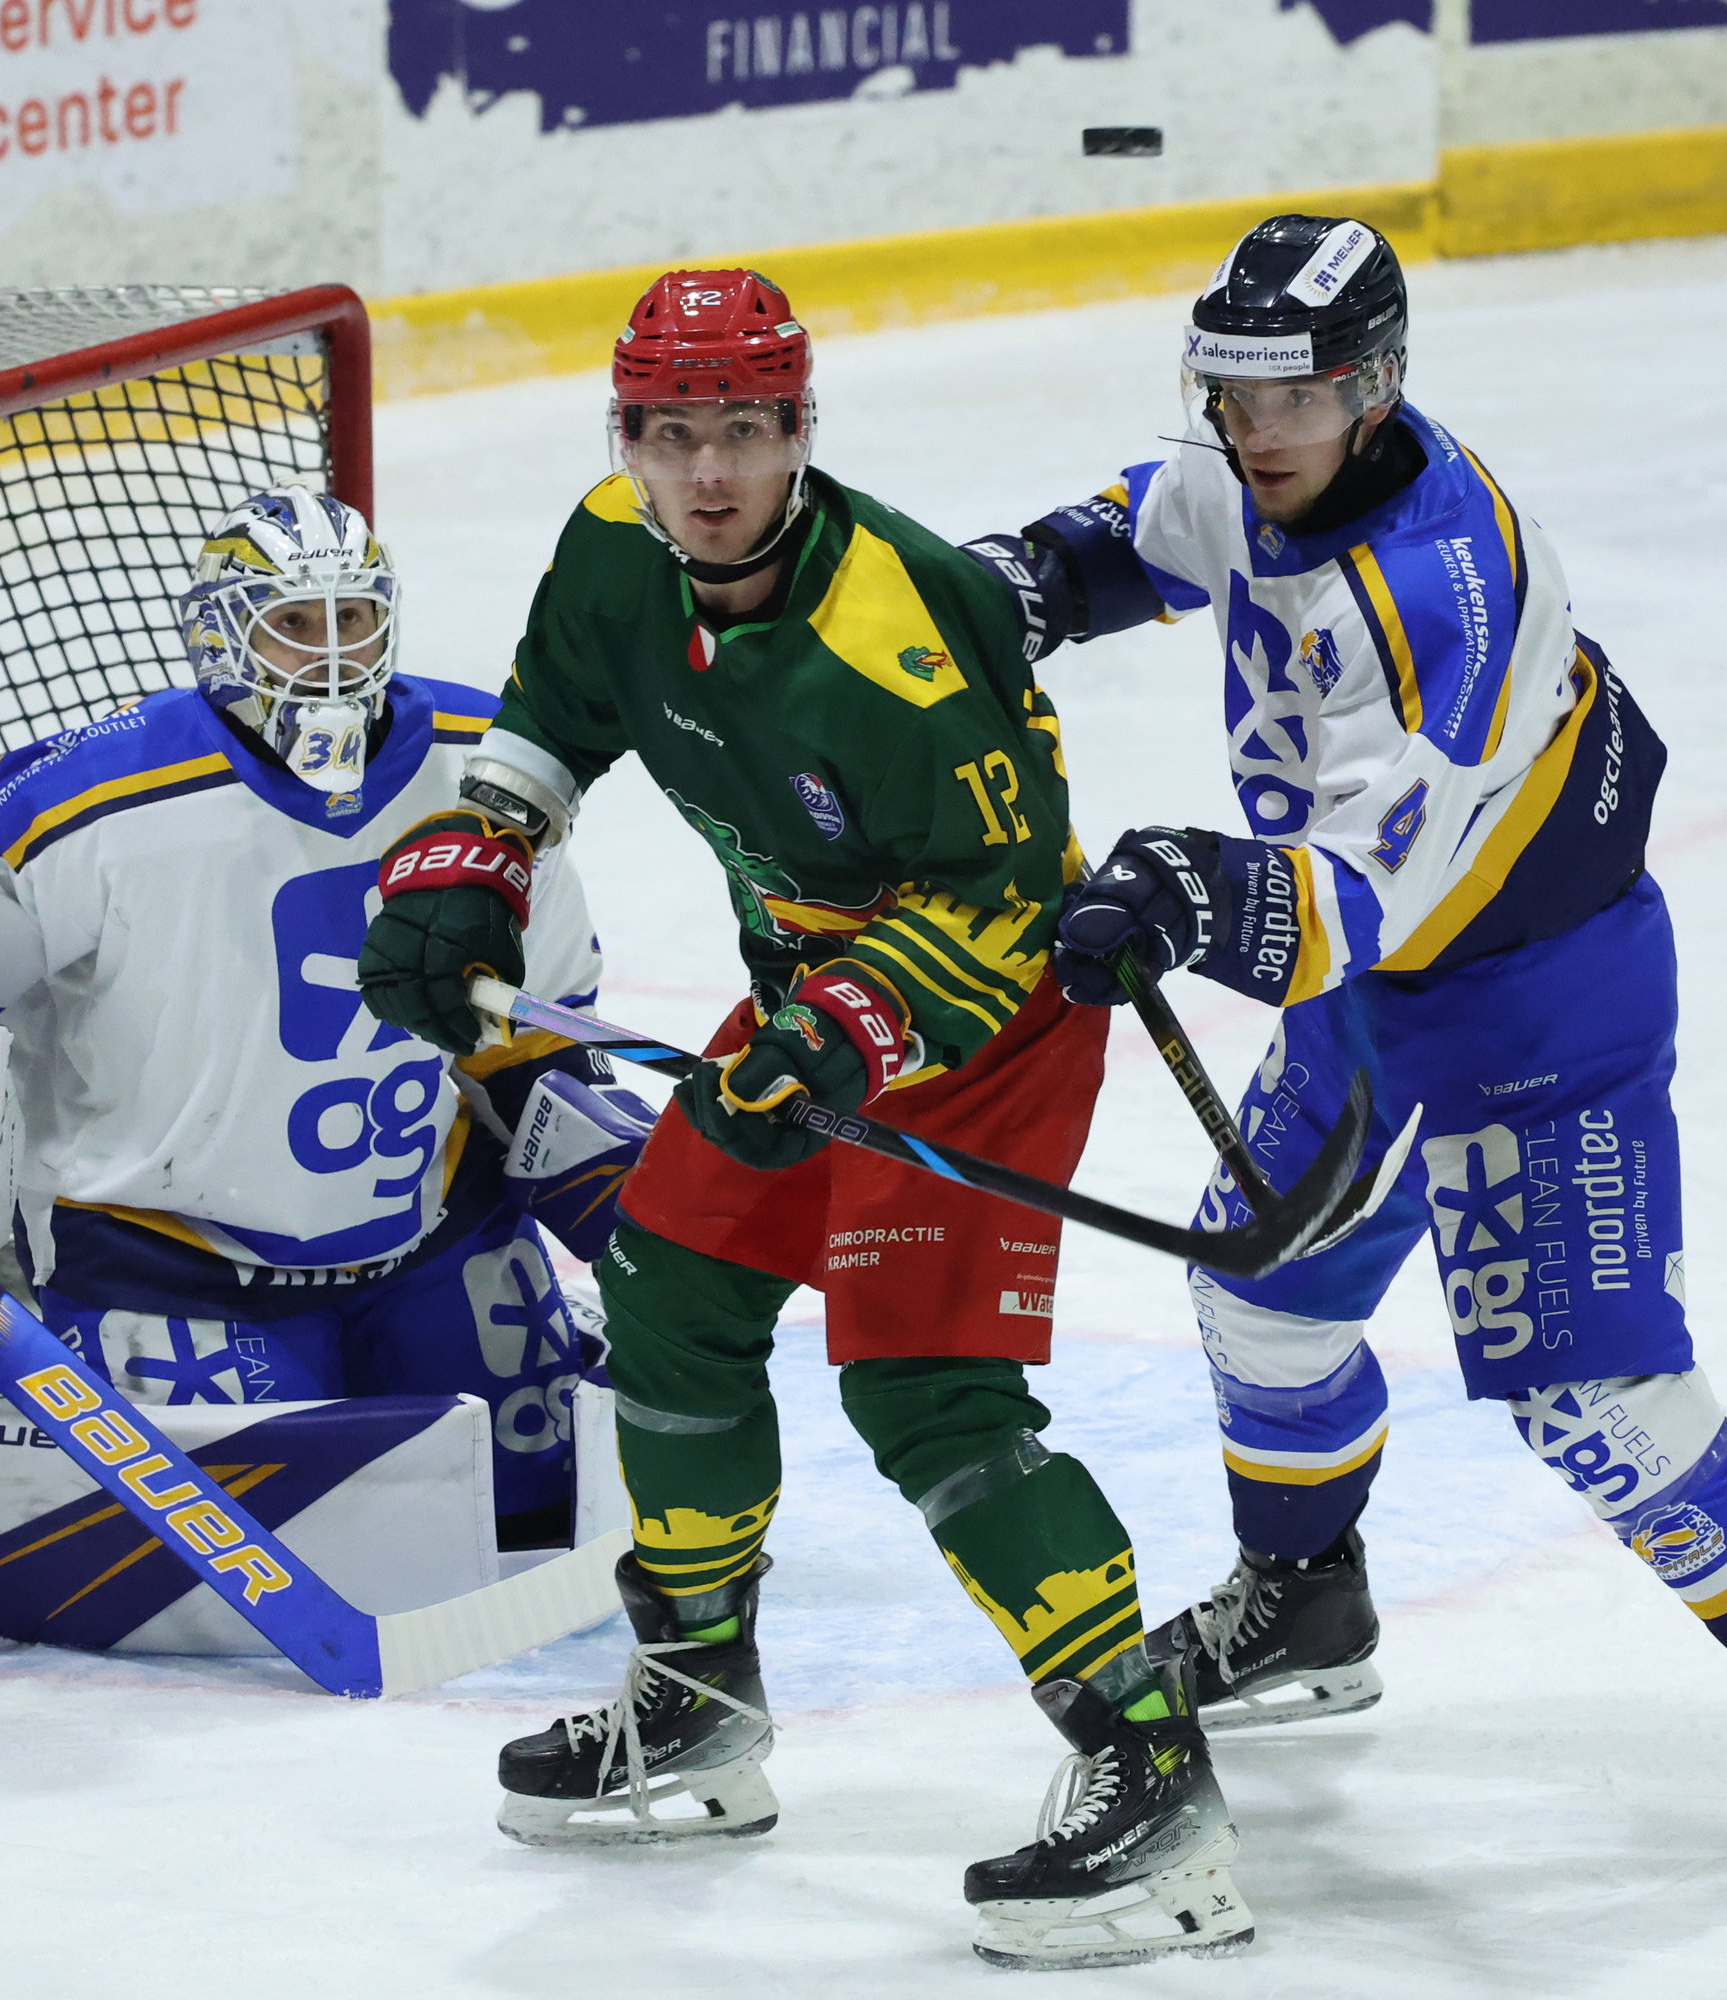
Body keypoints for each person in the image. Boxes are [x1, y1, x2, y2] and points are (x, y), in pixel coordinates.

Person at [975, 214, 1727, 1888]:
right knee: (1261, 1296)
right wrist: (991, 589)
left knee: (1593, 1399)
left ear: (1375, 387)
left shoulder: (1447, 591)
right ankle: (1305, 1599)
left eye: (1295, 397)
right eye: (1232, 392)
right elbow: (1126, 538)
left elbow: (1370, 894)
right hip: (1375, 987)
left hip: (1532, 1000)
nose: (1255, 429)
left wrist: (1192, 891)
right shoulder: (1260, 459)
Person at [359, 271, 1254, 1971]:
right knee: (672, 1282)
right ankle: (698, 1699)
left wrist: (857, 1030)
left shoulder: (903, 623)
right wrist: (482, 854)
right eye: (671, 435)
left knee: (928, 1394)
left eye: (746, 432)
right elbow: (554, 714)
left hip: (982, 1017)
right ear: (624, 439)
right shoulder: (613, 550)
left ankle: (1153, 1776)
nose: (708, 474)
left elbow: (1003, 896)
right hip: (808, 998)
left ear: (800, 434)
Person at [0, 487, 651, 1547]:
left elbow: (534, 1020)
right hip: (174, 1263)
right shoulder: (101, 796)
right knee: (271, 1550)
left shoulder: (484, 768)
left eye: (355, 619)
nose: (333, 656)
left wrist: (607, 1177)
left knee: (544, 1518)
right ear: (221, 636)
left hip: (434, 1237)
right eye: (294, 623)